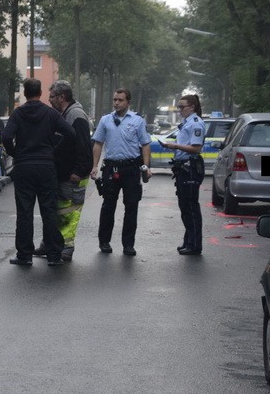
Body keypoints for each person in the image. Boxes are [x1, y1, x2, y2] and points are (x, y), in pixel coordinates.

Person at [2, 78, 75, 266]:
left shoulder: (18, 114)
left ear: (25, 93)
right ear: (40, 93)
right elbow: (71, 133)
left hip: (24, 166)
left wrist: (15, 153)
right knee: (49, 210)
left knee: (25, 211)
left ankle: (25, 254)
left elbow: (6, 136)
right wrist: (53, 148)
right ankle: (53, 254)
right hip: (46, 167)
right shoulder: (50, 113)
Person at [32, 80, 93, 262]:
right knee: (55, 211)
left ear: (62, 97)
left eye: (51, 97)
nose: (49, 100)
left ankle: (67, 247)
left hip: (73, 176)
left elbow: (84, 147)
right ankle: (50, 243)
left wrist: (78, 171)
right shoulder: (65, 114)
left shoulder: (76, 116)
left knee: (68, 213)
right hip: (62, 173)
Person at [90, 88, 153, 256]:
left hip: (131, 168)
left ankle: (128, 244)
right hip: (111, 167)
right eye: (114, 100)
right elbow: (98, 143)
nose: (116, 103)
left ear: (128, 102)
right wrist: (94, 166)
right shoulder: (105, 120)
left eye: (120, 100)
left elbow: (145, 144)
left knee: (131, 206)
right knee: (108, 206)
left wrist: (146, 167)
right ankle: (104, 241)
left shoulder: (138, 121)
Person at [161, 94, 206, 255]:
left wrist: (175, 146)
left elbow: (196, 148)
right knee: (185, 206)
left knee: (191, 207)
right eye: (179, 107)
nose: (180, 110)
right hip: (184, 168)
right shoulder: (186, 123)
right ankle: (189, 240)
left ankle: (195, 245)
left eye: (182, 107)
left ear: (192, 107)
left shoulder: (195, 124)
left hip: (191, 168)